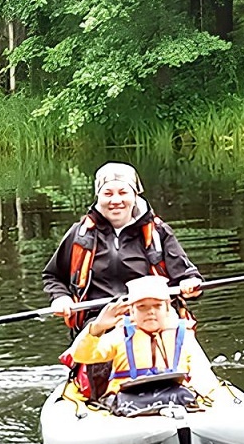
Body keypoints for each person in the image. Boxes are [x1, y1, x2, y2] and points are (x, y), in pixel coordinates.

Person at [43, 161, 203, 334]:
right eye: (108, 193)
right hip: (99, 322)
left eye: (123, 192)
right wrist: (61, 298)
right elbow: (53, 276)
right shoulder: (79, 234)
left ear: (135, 195)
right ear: (98, 196)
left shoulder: (158, 232)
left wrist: (190, 285)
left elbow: (186, 275)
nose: (116, 200)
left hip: (151, 319)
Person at [67, 275, 217, 415]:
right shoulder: (120, 335)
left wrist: (210, 403)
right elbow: (81, 356)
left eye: (157, 306)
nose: (150, 312)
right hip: (127, 403)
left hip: (176, 399)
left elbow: (203, 375)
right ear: (131, 310)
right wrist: (97, 327)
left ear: (167, 308)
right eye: (142, 307)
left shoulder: (183, 335)